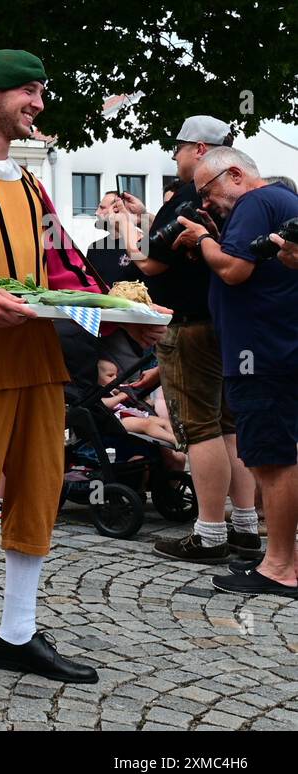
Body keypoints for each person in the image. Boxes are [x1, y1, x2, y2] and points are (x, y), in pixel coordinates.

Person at [0, 49, 165, 711]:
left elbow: (66, 267)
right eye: (30, 91)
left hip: (38, 365)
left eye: (41, 91)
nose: (40, 104)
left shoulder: (29, 185)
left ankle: (16, 633)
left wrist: (129, 318)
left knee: (39, 493)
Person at [116, 116, 259, 565]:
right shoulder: (241, 199)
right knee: (230, 426)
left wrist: (125, 227)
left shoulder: (191, 198)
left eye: (178, 148)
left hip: (192, 327)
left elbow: (150, 265)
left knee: (199, 429)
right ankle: (245, 526)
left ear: (199, 149)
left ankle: (210, 532)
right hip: (228, 324)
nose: (175, 156)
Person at [169, 146, 298, 597]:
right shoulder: (279, 202)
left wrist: (201, 239)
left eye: (207, 191)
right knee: (275, 455)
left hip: (263, 353)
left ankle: (281, 566)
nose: (205, 203)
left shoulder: (255, 202)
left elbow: (234, 270)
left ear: (237, 175)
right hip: (273, 349)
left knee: (274, 459)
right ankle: (281, 559)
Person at [86, 191, 142, 287]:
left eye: (102, 208)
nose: (96, 213)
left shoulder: (141, 243)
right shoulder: (94, 248)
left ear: (117, 209)